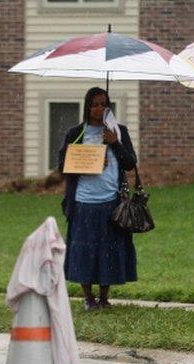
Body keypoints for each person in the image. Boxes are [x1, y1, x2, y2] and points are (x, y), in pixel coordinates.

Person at [58, 87, 138, 311]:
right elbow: (62, 166)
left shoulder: (118, 131)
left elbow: (130, 163)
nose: (99, 109)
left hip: (111, 200)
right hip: (84, 200)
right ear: (87, 107)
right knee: (85, 249)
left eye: (103, 104)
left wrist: (114, 142)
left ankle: (104, 297)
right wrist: (86, 162)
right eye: (94, 104)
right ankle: (87, 297)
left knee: (108, 249)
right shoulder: (76, 133)